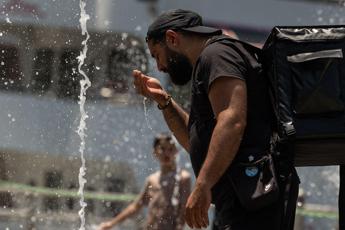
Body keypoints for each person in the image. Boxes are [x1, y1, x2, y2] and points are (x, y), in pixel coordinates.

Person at [132, 9, 299, 230]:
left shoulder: (217, 55)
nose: (160, 66)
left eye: (156, 55)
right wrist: (165, 102)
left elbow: (232, 121)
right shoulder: (210, 60)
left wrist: (202, 185)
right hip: (241, 198)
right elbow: (196, 143)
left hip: (255, 197)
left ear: (172, 38)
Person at [98, 133, 191, 230]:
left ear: (176, 152)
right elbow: (136, 206)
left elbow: (183, 211)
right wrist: (111, 224)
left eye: (171, 149)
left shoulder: (183, 178)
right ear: (155, 152)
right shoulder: (152, 180)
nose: (167, 153)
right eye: (162, 149)